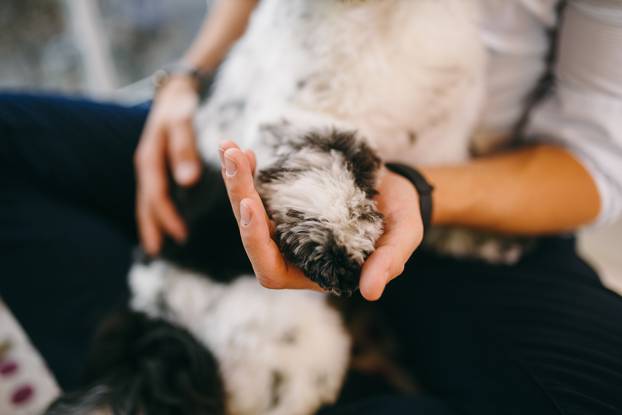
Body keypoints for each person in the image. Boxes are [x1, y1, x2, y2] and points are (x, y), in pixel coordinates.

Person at [2, 0, 622, 413]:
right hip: (248, 120)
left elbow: (593, 164)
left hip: (473, 205)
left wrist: (421, 194)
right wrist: (189, 75)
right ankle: (171, 372)